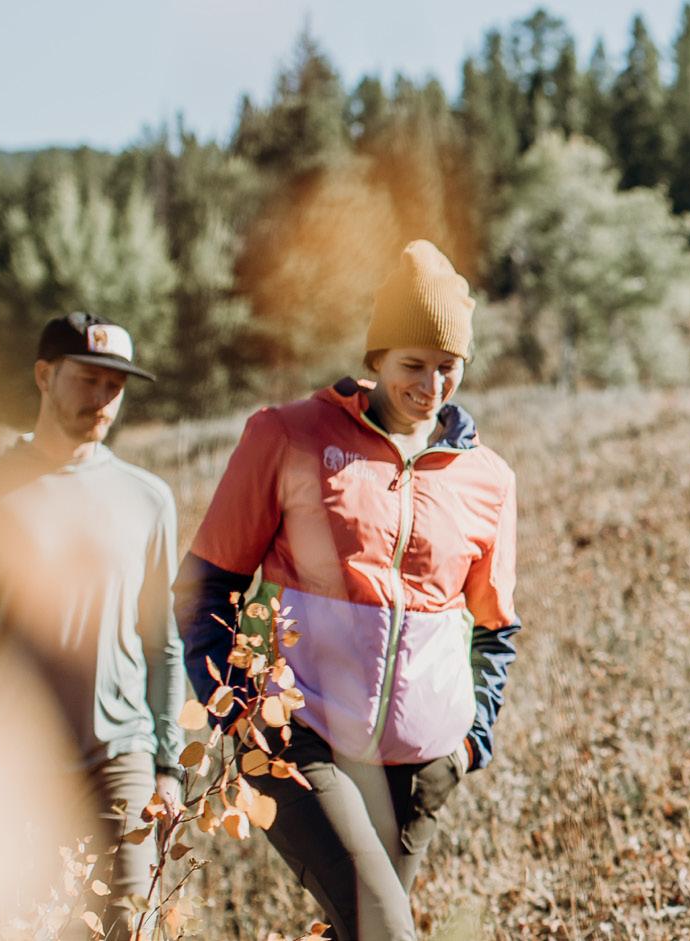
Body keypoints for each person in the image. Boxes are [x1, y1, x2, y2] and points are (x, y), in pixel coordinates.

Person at [173, 240, 521, 941]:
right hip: (300, 737)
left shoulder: (488, 478)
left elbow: (495, 628)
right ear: (377, 358)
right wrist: (238, 707)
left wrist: (469, 743)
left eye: (448, 365)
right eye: (412, 364)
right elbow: (206, 586)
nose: (431, 384)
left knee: (354, 932)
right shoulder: (289, 436)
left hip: (421, 763)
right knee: (384, 929)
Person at [0, 311, 183, 939]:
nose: (103, 398)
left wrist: (168, 765)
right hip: (8, 760)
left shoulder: (149, 500)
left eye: (115, 386)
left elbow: (161, 644)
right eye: (88, 379)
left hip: (118, 754)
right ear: (43, 375)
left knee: (127, 924)